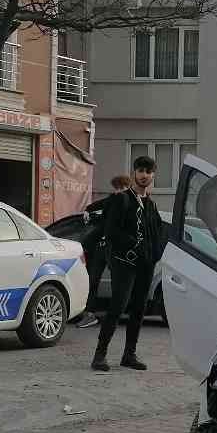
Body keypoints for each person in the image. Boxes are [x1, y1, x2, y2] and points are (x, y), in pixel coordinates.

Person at [88, 156, 164, 371]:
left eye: (148, 171)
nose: (144, 175)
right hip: (124, 263)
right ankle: (99, 355)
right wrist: (133, 246)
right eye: (140, 170)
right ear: (134, 173)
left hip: (145, 265)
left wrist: (154, 253)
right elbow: (111, 231)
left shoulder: (151, 204)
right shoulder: (121, 200)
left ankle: (129, 355)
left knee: (139, 309)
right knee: (118, 307)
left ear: (153, 175)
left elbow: (158, 232)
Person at [74, 174, 130, 329]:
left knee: (117, 283)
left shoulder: (130, 202)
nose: (118, 191)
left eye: (122, 188)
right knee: (92, 279)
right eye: (116, 188)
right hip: (102, 247)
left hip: (116, 249)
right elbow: (100, 205)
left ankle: (115, 315)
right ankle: (89, 314)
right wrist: (88, 210)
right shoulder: (113, 199)